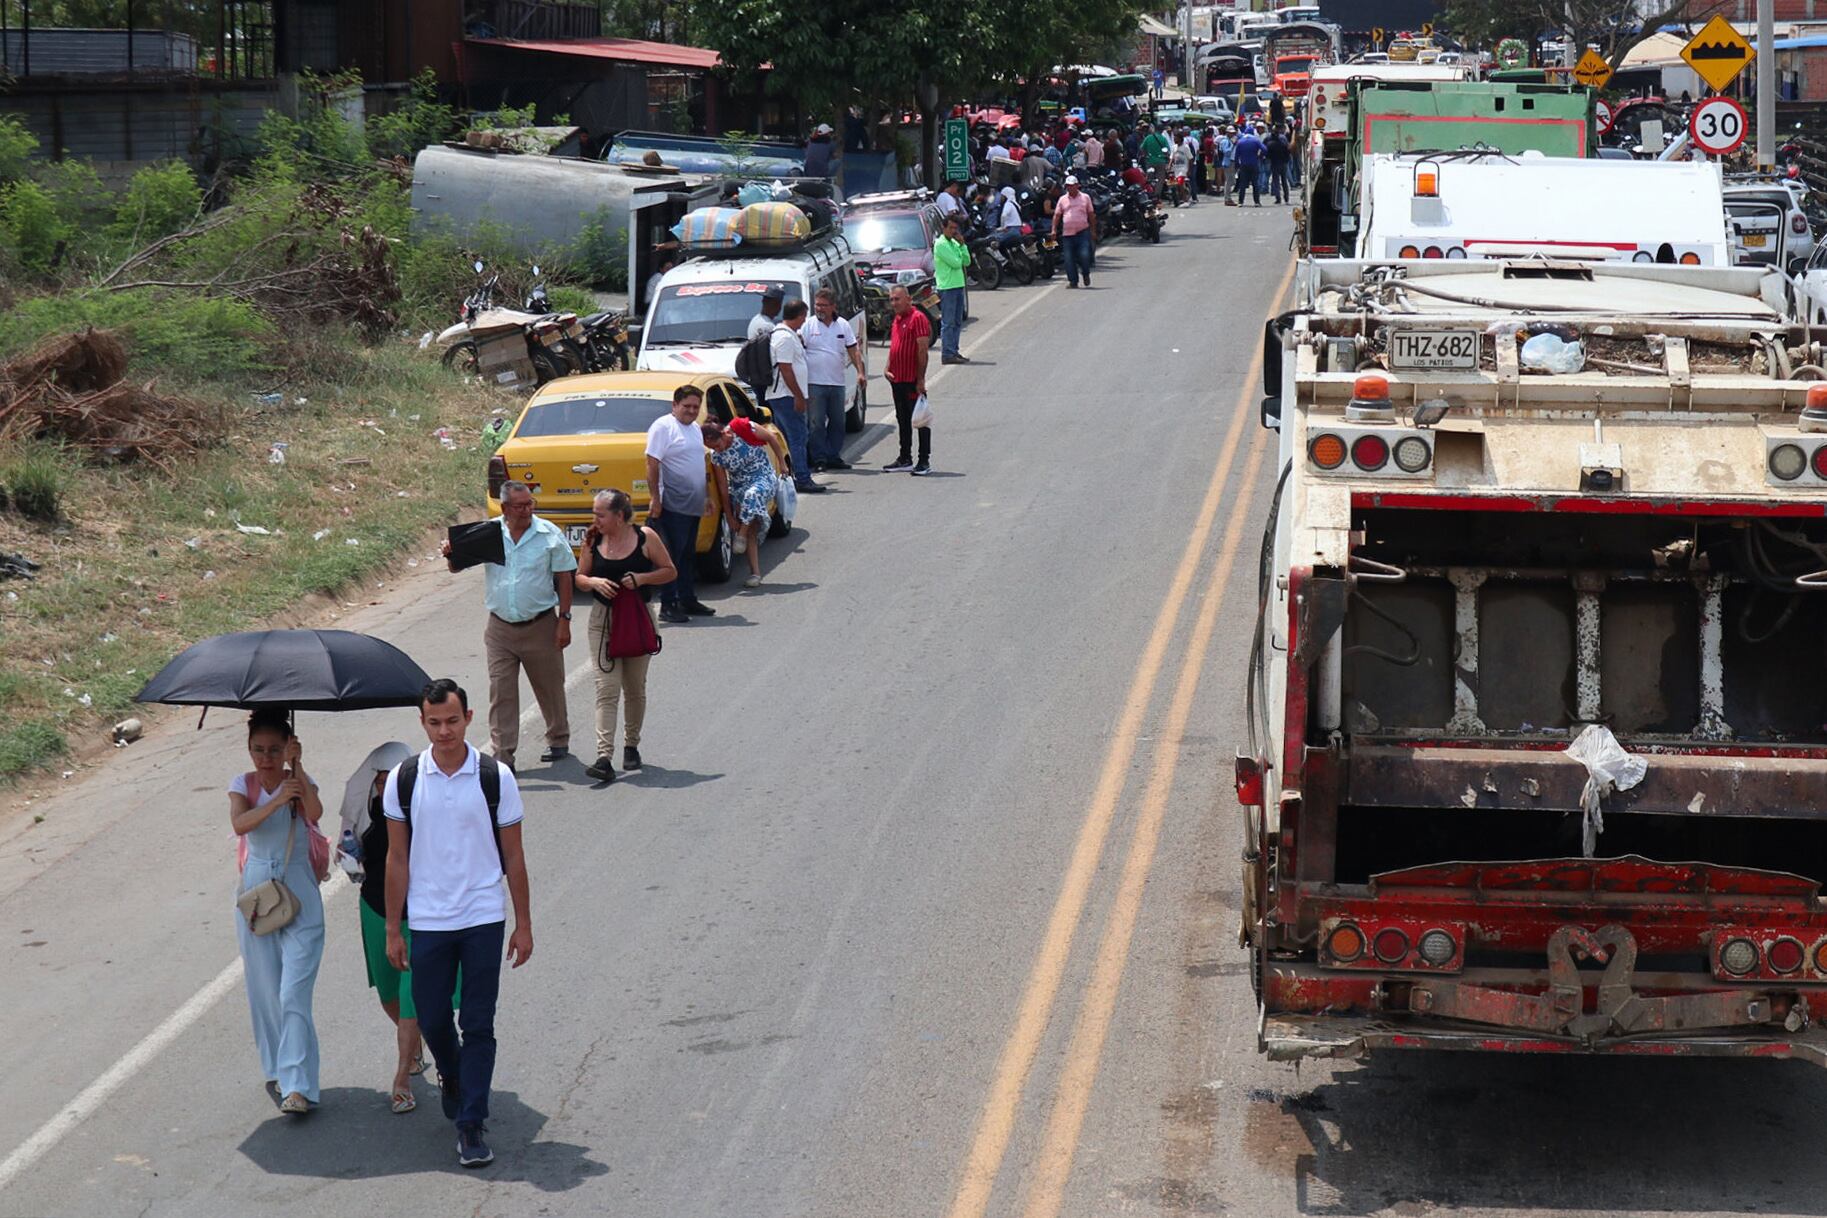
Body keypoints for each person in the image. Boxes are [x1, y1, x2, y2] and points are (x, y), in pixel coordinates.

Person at [384, 679, 533, 1169]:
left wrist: (523, 923)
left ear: (469, 717)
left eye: (452, 721)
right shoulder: (405, 779)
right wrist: (393, 928)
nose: (444, 732)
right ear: (423, 722)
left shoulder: (495, 778)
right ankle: (452, 1075)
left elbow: (514, 856)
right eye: (434, 723)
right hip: (428, 920)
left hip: (483, 917)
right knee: (430, 1017)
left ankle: (471, 1123)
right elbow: (397, 858)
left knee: (478, 1022)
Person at [230, 710, 325, 1117]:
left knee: (292, 993)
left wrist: (298, 773)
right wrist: (274, 803)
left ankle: (299, 1086)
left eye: (274, 750)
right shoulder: (243, 785)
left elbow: (317, 813)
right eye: (258, 750)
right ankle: (278, 1067)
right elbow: (240, 824)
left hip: (298, 888)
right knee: (266, 991)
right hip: (257, 892)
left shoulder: (297, 782)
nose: (266, 759)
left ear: (287, 747)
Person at [441, 481, 575, 770]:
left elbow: (565, 576)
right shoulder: (488, 533)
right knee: (501, 692)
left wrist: (564, 620)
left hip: (540, 624)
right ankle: (503, 755)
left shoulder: (547, 534)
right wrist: (451, 552)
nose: (527, 510)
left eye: (530, 504)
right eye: (520, 506)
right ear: (504, 508)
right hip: (500, 628)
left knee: (549, 686)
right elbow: (456, 566)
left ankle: (558, 737)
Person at [340, 740, 432, 1115]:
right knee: (388, 994)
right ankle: (417, 1044)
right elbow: (347, 854)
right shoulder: (366, 812)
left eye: (392, 780)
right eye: (379, 781)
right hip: (376, 910)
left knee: (412, 996)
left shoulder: (425, 812)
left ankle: (401, 1078)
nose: (384, 787)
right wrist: (349, 859)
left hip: (421, 916)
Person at [573, 490, 675, 781]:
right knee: (606, 689)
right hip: (602, 621)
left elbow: (670, 571)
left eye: (600, 514)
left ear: (619, 516)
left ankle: (631, 745)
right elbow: (579, 577)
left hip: (637, 619)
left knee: (634, 687)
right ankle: (604, 757)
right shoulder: (593, 538)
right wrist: (593, 581)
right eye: (594, 513)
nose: (595, 520)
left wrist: (641, 579)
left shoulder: (645, 538)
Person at [645, 384, 715, 624]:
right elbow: (652, 463)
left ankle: (687, 598)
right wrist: (655, 498)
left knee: (687, 554)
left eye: (696, 407)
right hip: (672, 503)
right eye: (687, 406)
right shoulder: (663, 427)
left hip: (693, 502)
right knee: (671, 556)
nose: (692, 411)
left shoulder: (695, 428)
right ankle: (668, 603)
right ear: (674, 405)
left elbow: (699, 465)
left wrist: (706, 496)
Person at [708, 418, 784, 587]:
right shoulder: (716, 457)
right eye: (713, 448)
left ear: (723, 434)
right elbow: (723, 486)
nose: (717, 449)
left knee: (752, 495)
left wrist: (782, 463)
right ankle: (755, 573)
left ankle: (740, 536)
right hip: (739, 487)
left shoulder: (742, 429)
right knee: (751, 527)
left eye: (717, 444)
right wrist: (729, 516)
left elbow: (772, 438)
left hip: (763, 477)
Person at [802, 287, 864, 470]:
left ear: (833, 306)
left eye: (823, 305)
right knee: (817, 423)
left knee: (838, 422)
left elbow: (853, 349)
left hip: (837, 383)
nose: (819, 309)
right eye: (817, 305)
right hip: (814, 384)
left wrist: (860, 372)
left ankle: (833, 456)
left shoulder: (843, 325)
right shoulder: (808, 325)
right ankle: (819, 458)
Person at [766, 300, 822, 495]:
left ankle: (788, 476)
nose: (804, 321)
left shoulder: (786, 335)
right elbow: (786, 369)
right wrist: (799, 396)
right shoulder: (784, 338)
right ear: (798, 316)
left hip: (784, 395)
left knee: (787, 438)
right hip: (786, 396)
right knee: (797, 437)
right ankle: (802, 478)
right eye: (803, 317)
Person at [883, 285, 931, 476]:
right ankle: (905, 458)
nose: (894, 303)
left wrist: (920, 379)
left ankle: (924, 460)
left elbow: (922, 351)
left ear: (908, 299)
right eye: (892, 299)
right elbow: (895, 347)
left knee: (920, 420)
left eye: (897, 299)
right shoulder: (897, 319)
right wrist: (887, 367)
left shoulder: (917, 318)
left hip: (912, 379)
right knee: (902, 420)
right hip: (897, 379)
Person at [929, 213, 970, 366]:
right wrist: (960, 253)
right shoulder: (941, 244)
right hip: (947, 287)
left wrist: (963, 245)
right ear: (944, 227)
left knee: (957, 321)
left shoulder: (954, 243)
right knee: (948, 322)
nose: (953, 231)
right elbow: (956, 263)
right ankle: (947, 353)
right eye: (951, 228)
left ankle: (953, 350)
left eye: (955, 228)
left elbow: (966, 261)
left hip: (958, 285)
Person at [1053, 174, 1096, 289]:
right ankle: (1073, 281)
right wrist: (1053, 230)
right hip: (1067, 234)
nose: (1070, 188)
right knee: (1068, 259)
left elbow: (1091, 215)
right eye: (1068, 186)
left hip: (1082, 232)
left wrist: (1093, 230)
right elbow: (1057, 215)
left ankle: (1085, 273)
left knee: (1084, 255)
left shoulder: (1085, 198)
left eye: (1072, 186)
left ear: (1077, 186)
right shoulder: (1062, 200)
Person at [1233, 124, 1265, 206]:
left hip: (1243, 164)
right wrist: (1260, 156)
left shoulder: (1240, 141)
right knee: (1255, 184)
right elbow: (1264, 149)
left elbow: (1236, 155)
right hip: (1254, 163)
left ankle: (1240, 202)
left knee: (1242, 184)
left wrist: (1237, 164)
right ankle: (1257, 202)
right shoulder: (1256, 140)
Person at [1140, 122, 1172, 196]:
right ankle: (1157, 196)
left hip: (1150, 161)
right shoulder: (1163, 139)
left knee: (1149, 179)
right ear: (1162, 131)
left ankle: (1149, 193)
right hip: (1161, 162)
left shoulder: (1148, 138)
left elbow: (1141, 148)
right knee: (1160, 180)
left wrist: (1146, 155)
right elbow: (1167, 151)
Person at [1266, 124, 1292, 204]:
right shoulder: (1283, 142)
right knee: (1284, 181)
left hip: (1274, 163)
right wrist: (1286, 160)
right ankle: (1286, 198)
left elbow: (1268, 154)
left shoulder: (1270, 143)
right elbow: (1288, 152)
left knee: (1276, 181)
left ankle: (1278, 198)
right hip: (1283, 163)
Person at [1169, 134, 1195, 207]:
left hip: (1183, 169)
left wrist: (1189, 170)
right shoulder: (1174, 147)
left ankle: (1185, 201)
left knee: (1180, 183)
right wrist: (1169, 165)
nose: (1174, 140)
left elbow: (1190, 159)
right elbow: (1172, 157)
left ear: (1180, 139)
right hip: (1175, 168)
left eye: (1176, 138)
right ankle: (1178, 199)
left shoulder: (1185, 147)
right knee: (1174, 184)